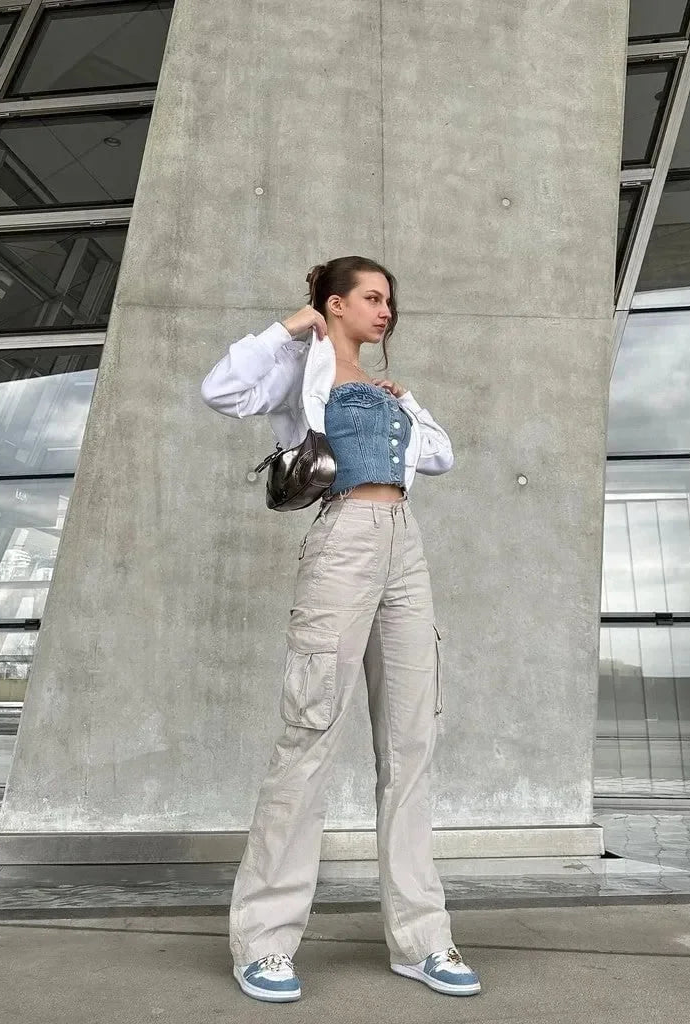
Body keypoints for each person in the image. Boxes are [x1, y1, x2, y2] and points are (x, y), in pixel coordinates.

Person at [200, 256, 481, 1003]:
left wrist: (406, 397)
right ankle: (264, 942)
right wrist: (288, 328)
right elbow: (221, 390)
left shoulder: (387, 390)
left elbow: (442, 456)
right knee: (310, 732)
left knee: (412, 743)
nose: (385, 311)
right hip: (343, 540)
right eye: (372, 298)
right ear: (334, 304)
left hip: (404, 545)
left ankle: (422, 939)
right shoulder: (301, 369)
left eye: (389, 302)